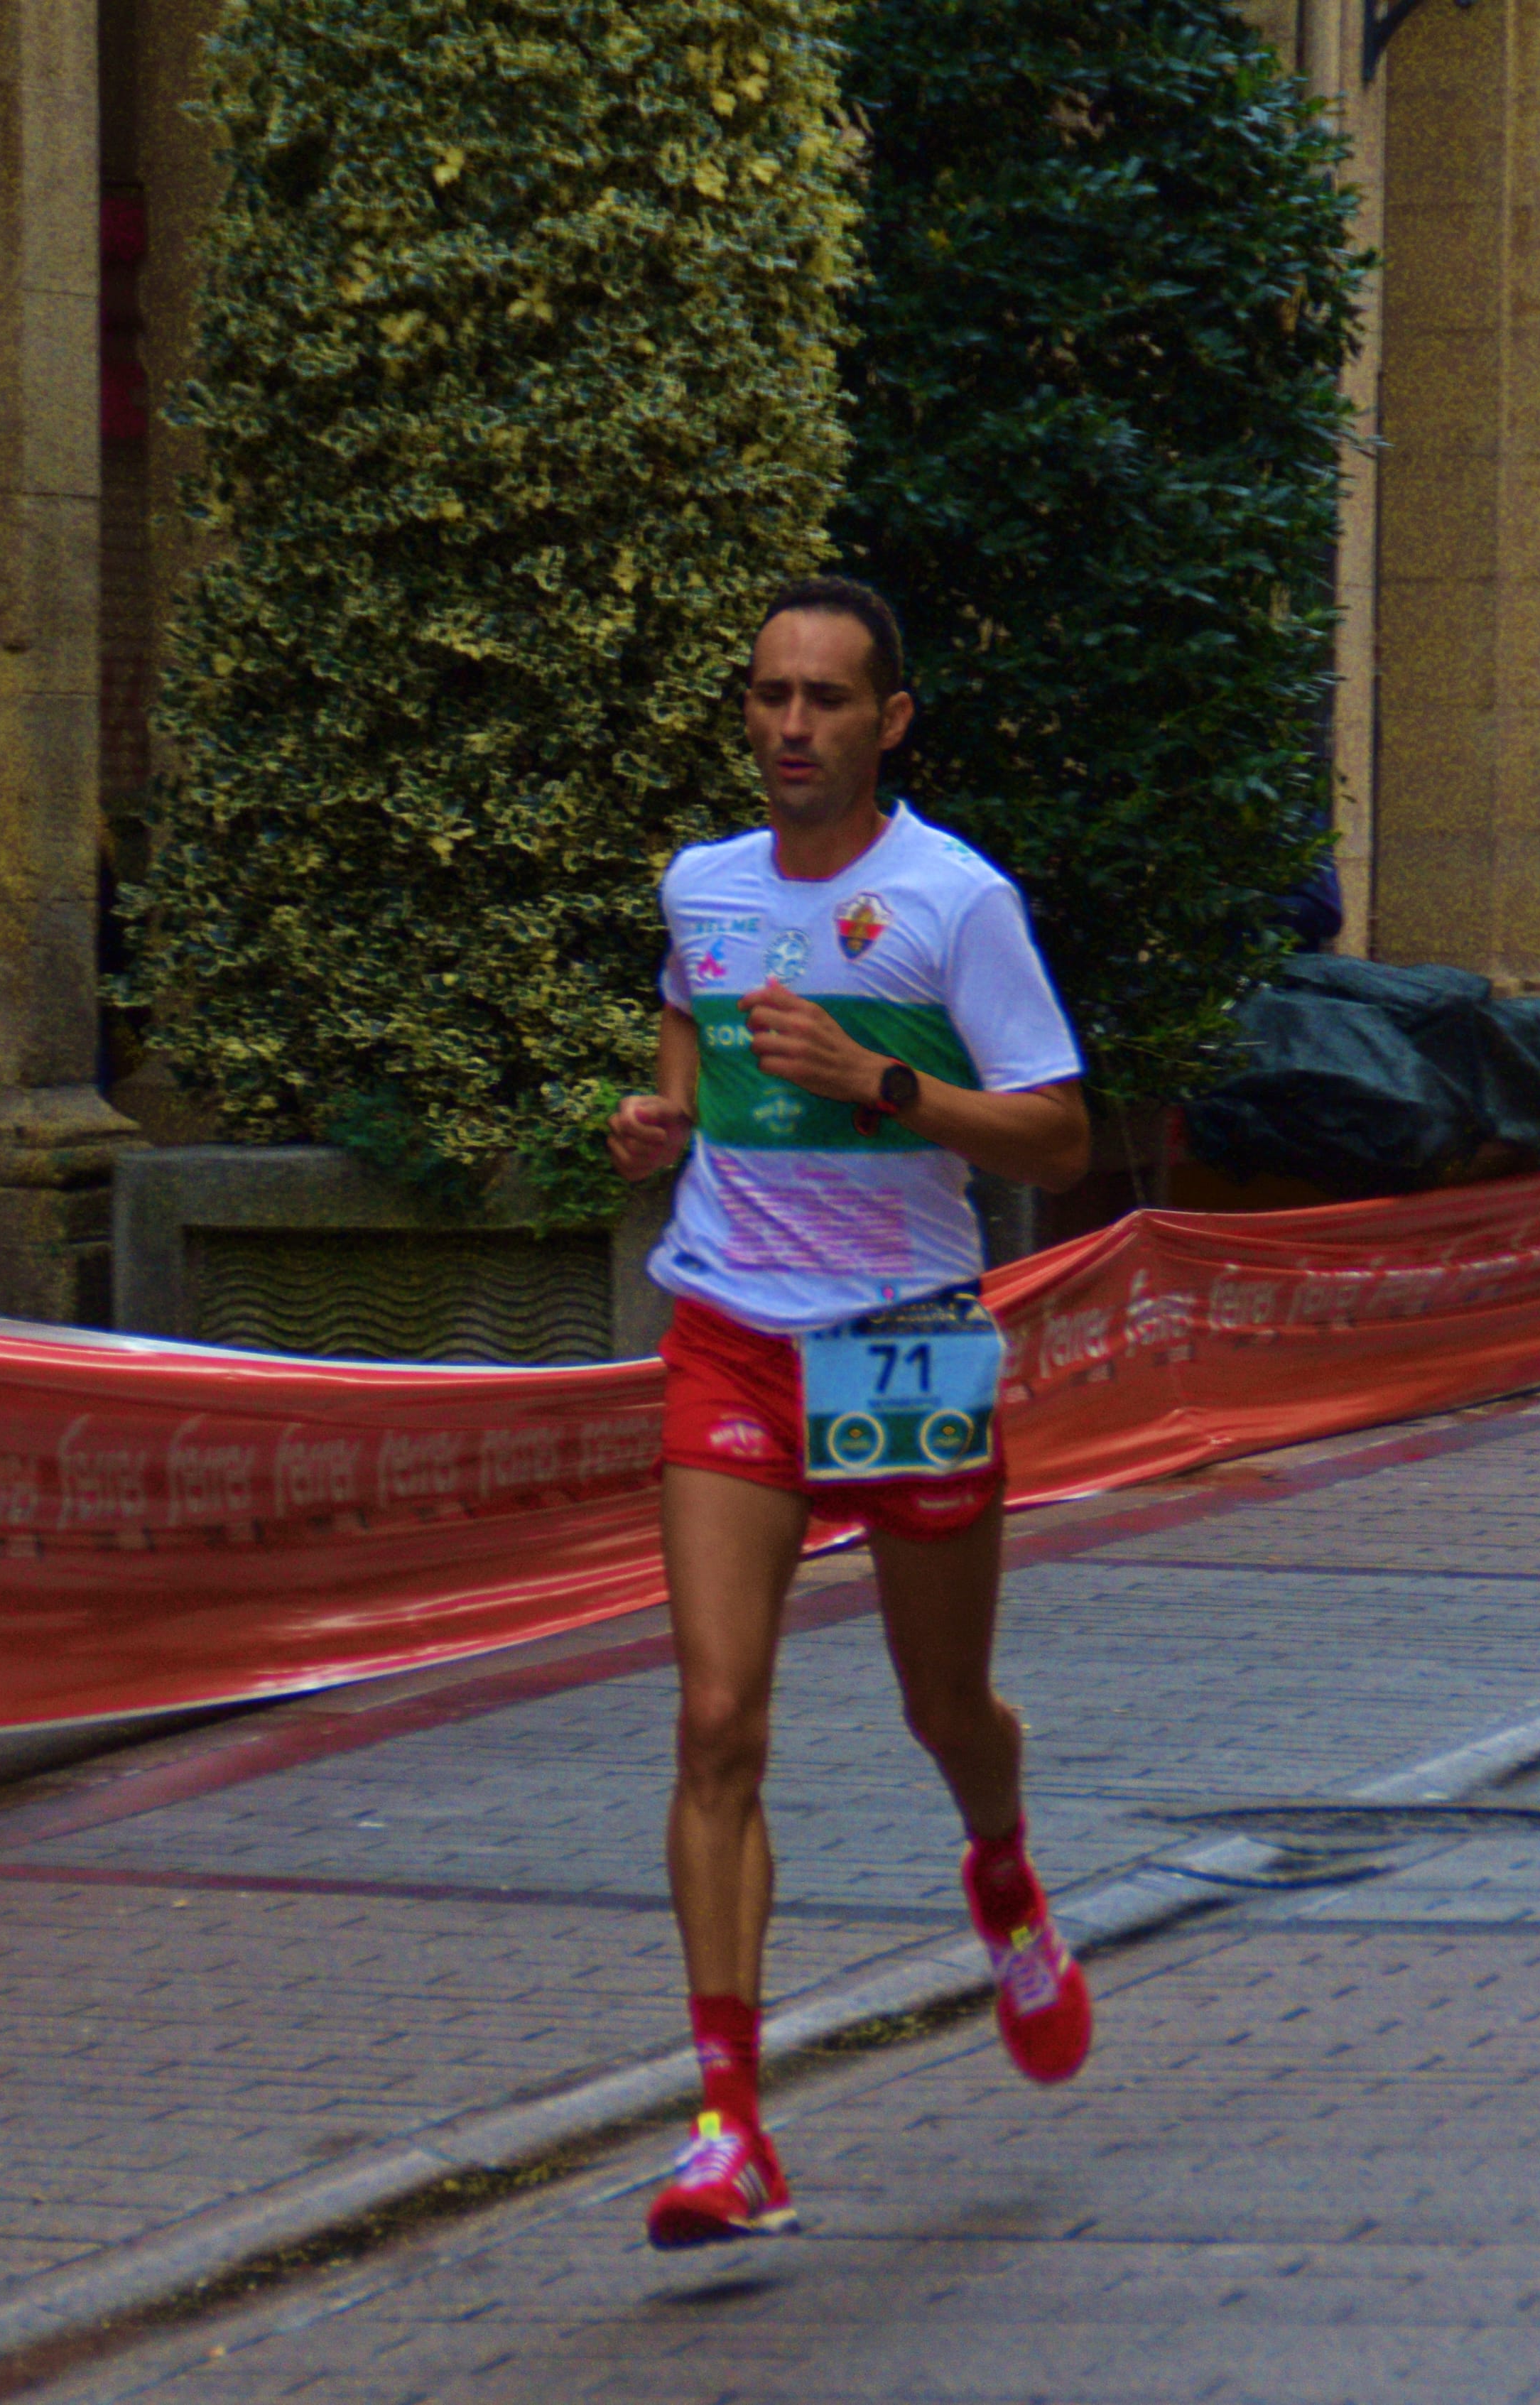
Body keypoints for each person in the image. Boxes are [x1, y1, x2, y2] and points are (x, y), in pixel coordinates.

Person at [607, 577, 1095, 2249]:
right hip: (734, 1329)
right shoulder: (703, 884)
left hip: (904, 1345)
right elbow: (688, 1017)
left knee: (945, 1707)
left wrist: (885, 1081)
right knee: (716, 1717)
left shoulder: (957, 903)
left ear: (889, 721)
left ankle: (1003, 1872)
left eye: (826, 700)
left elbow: (1058, 1140)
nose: (792, 728)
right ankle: (729, 2125)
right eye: (768, 697)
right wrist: (662, 1114)